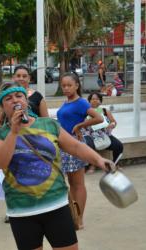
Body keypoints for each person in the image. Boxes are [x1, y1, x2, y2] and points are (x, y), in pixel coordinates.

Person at [0, 83, 113, 250]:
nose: (14, 101)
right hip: (22, 210)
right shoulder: (0, 134)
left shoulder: (48, 125)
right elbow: (0, 163)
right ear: (2, 107)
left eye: (19, 96)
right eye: (8, 98)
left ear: (26, 101)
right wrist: (13, 131)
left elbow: (76, 147)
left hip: (56, 204)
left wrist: (99, 160)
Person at [57, 72, 103, 229]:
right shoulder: (67, 102)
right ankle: (73, 215)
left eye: (69, 85)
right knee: (70, 184)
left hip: (75, 146)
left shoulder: (81, 103)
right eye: (63, 86)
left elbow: (99, 118)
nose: (66, 88)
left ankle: (80, 219)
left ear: (77, 86)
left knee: (78, 184)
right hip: (64, 146)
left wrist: (80, 126)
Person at [0, 65, 49, 130]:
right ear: (13, 77)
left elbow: (46, 122)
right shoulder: (5, 96)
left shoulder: (38, 96)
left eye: (24, 76)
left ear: (29, 78)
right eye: (18, 76)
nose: (21, 78)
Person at [85, 92, 124, 174]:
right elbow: (81, 124)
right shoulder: (85, 111)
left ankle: (115, 164)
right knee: (90, 145)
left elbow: (113, 122)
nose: (95, 101)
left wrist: (111, 125)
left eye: (97, 99)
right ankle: (92, 165)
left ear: (100, 101)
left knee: (119, 145)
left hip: (104, 133)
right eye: (92, 99)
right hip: (90, 134)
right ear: (89, 101)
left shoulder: (105, 111)